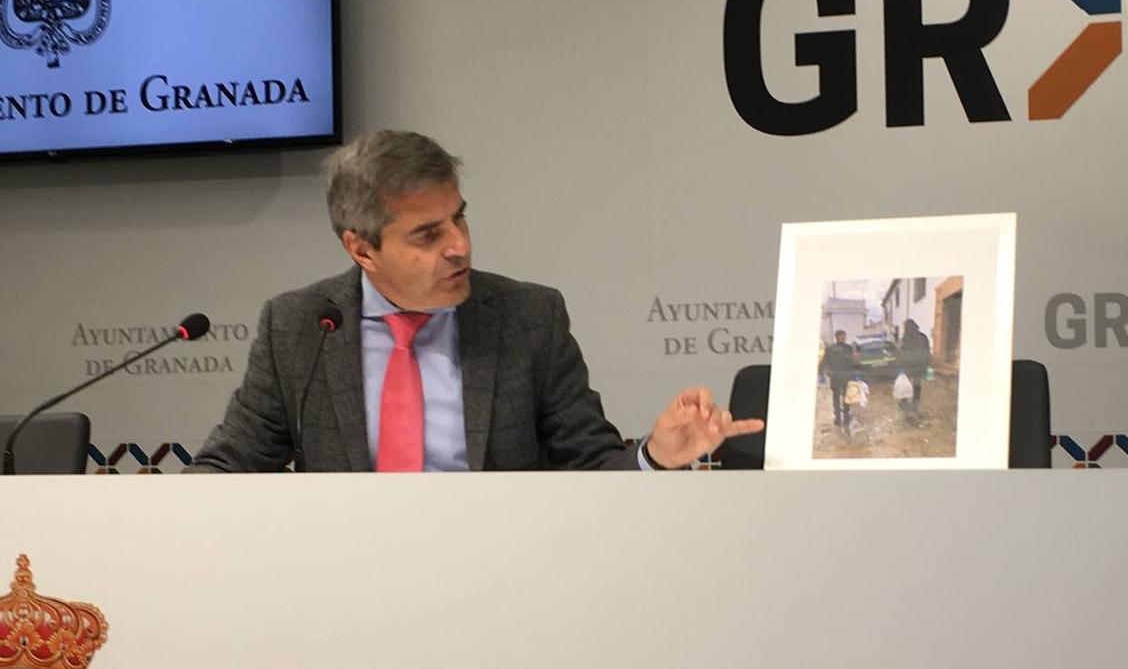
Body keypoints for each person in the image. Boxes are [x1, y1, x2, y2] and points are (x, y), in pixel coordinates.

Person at [189, 131, 762, 473]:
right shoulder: (299, 328)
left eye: (458, 217)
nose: (458, 246)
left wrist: (656, 455)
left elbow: (590, 466)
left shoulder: (527, 319)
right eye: (426, 234)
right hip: (348, 589)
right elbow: (228, 469)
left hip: (503, 585)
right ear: (362, 250)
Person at [818, 330, 855, 426]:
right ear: (837, 337)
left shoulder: (843, 348)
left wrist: (822, 373)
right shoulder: (844, 348)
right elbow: (825, 362)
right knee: (839, 397)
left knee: (842, 397)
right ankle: (841, 418)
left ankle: (843, 418)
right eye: (842, 336)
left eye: (844, 336)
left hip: (840, 376)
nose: (843, 338)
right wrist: (821, 374)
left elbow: (852, 362)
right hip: (840, 376)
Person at [897, 318, 931, 414]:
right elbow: (927, 351)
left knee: (905, 384)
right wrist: (927, 364)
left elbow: (901, 352)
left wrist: (900, 366)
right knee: (917, 384)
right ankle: (915, 404)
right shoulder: (923, 337)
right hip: (920, 365)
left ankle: (904, 402)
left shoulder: (905, 338)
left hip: (909, 365)